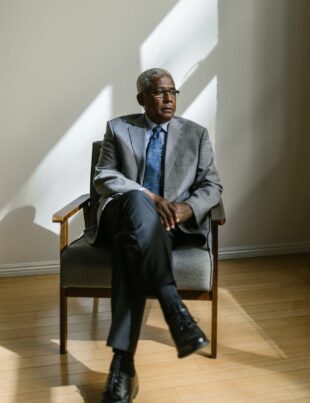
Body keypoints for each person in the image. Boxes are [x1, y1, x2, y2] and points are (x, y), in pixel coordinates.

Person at [92, 68, 222, 403]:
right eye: (159, 92)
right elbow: (104, 176)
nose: (168, 98)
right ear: (141, 98)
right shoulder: (119, 128)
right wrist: (151, 198)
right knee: (136, 200)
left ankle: (122, 366)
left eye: (173, 92)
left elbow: (212, 185)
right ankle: (172, 303)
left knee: (130, 248)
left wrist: (186, 208)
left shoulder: (196, 134)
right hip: (123, 215)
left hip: (168, 228)